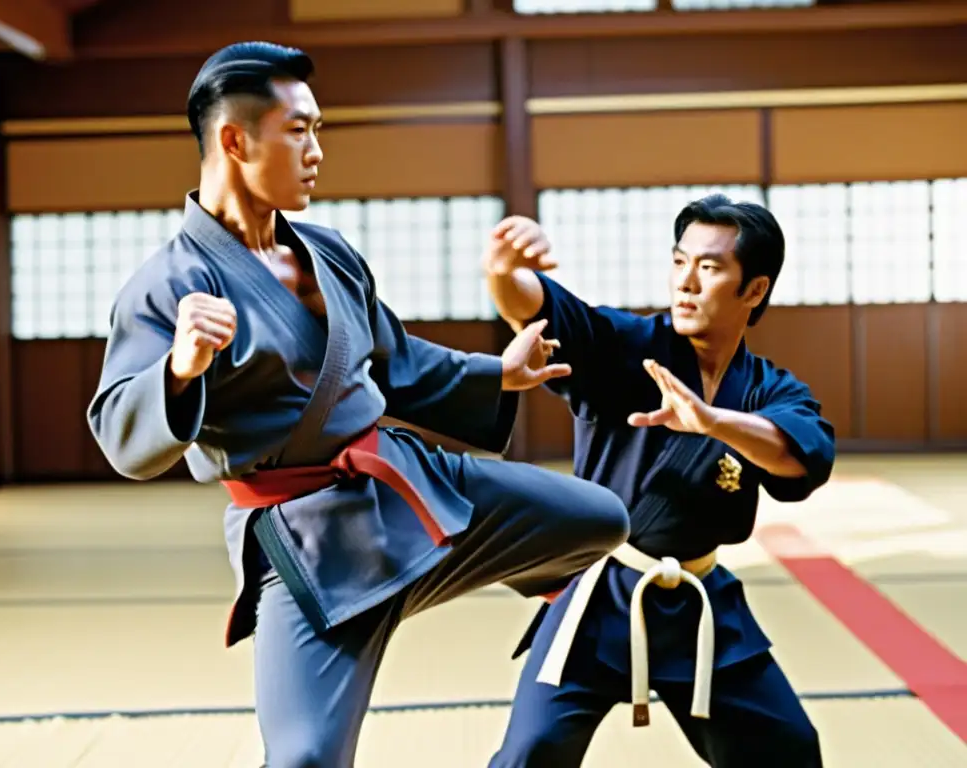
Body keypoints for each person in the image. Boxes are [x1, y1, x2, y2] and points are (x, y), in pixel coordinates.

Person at [85, 41, 630, 768]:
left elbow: (396, 362)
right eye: (299, 129)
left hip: (407, 490)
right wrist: (181, 369)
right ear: (234, 139)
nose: (317, 149)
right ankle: (382, 598)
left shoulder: (329, 251)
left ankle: (434, 579)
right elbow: (121, 431)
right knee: (306, 759)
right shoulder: (167, 284)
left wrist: (497, 373)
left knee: (599, 519)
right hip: (306, 545)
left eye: (319, 129)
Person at [484, 194, 836, 767]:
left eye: (710, 267)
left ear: (755, 290)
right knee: (532, 751)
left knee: (788, 748)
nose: (686, 283)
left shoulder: (767, 390)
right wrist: (503, 272)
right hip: (599, 597)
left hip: (699, 605)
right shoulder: (629, 349)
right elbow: (540, 308)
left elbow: (805, 455)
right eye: (679, 262)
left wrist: (713, 421)